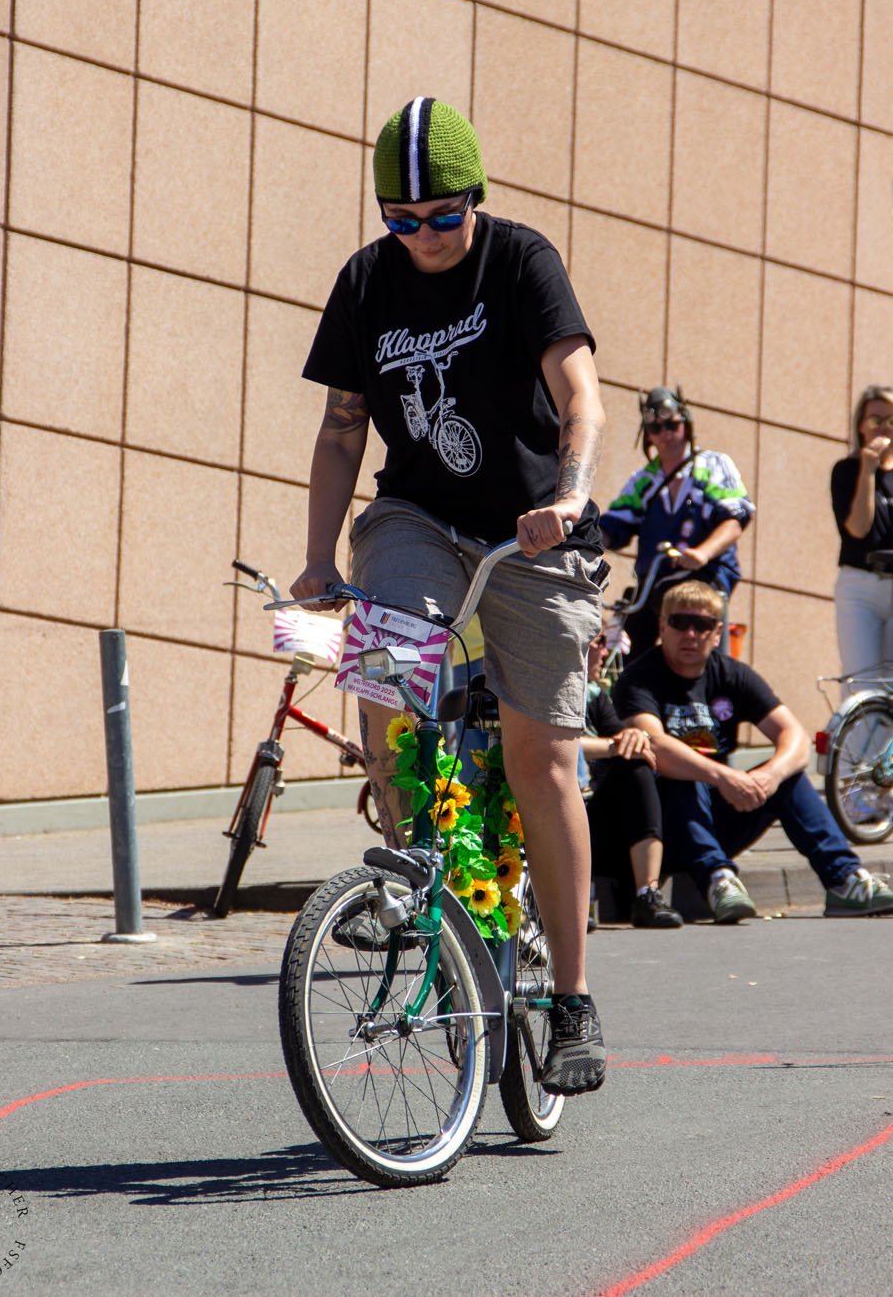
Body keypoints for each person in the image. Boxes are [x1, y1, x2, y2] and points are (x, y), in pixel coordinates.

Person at [291, 97, 608, 1096]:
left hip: (532, 529)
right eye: (402, 219)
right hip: (418, 519)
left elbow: (581, 394)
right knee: (383, 670)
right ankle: (413, 873)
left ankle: (571, 1000)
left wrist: (570, 493)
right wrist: (317, 560)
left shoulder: (521, 261)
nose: (422, 236)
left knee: (540, 758)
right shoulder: (366, 281)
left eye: (441, 216)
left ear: (476, 198)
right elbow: (343, 429)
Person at [612, 579, 893, 922]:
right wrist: (723, 776)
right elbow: (654, 744)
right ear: (661, 627)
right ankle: (719, 881)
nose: (690, 634)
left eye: (701, 625)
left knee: (789, 778)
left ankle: (845, 880)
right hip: (658, 829)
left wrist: (768, 776)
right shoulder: (639, 679)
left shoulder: (732, 675)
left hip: (716, 815)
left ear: (717, 632)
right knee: (682, 775)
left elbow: (794, 735)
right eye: (679, 622)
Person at [599, 386, 754, 657]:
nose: (666, 433)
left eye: (672, 424)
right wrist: (582, 537)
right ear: (648, 435)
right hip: (655, 586)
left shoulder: (713, 465)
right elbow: (614, 525)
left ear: (686, 424)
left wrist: (701, 553)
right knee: (624, 652)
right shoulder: (643, 480)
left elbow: (734, 520)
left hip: (702, 581)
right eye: (656, 428)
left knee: (692, 643)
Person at [581, 631, 683, 928]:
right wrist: (614, 746)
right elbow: (557, 745)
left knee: (636, 766)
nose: (605, 651)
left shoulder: (595, 696)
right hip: (558, 818)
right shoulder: (544, 694)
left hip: (600, 826)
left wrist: (636, 736)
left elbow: (623, 740)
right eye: (599, 642)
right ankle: (572, 902)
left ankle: (647, 895)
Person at [830, 384, 893, 686]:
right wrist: (868, 470)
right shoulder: (846, 471)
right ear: (861, 426)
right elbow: (858, 529)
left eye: (891, 420)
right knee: (861, 683)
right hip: (861, 586)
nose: (883, 428)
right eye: (875, 420)